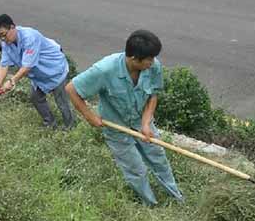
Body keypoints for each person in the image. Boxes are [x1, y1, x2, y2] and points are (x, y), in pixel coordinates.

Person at [65, 29, 184, 206]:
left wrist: (145, 123)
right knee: (136, 169)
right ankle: (151, 204)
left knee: (158, 158)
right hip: (116, 126)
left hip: (141, 121)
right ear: (134, 58)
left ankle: (177, 197)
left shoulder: (153, 66)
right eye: (149, 60)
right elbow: (71, 89)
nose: (153, 63)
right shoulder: (105, 70)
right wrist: (90, 117)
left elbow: (153, 95)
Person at [0, 14, 74, 129]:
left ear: (12, 27)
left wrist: (12, 81)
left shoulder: (29, 37)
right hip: (38, 75)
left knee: (61, 102)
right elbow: (4, 65)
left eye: (4, 35)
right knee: (36, 97)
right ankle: (50, 124)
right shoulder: (6, 44)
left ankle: (70, 127)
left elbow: (27, 66)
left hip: (54, 69)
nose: (3, 39)